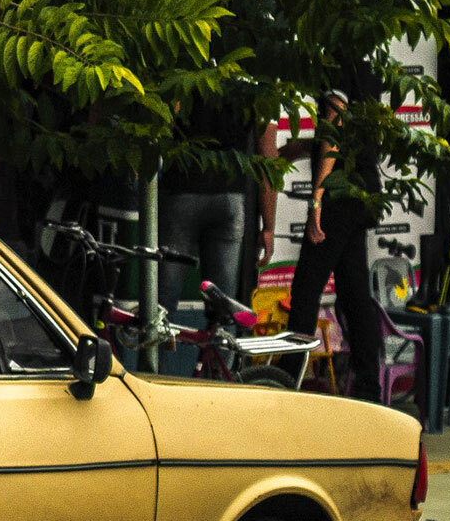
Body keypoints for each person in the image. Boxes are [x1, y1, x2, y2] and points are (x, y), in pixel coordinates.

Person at [282, 70, 384, 402]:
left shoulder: (339, 58)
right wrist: (299, 149)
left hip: (340, 193)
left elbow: (334, 124)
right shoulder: (370, 66)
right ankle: (369, 385)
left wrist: (316, 200)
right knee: (355, 293)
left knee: (306, 288)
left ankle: (289, 378)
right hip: (363, 188)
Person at [156, 100, 270, 318]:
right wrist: (269, 226)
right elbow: (267, 152)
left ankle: (154, 350)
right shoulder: (252, 82)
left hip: (183, 189)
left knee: (162, 304)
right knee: (224, 308)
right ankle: (218, 348)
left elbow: (163, 125)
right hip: (230, 194)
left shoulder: (184, 72)